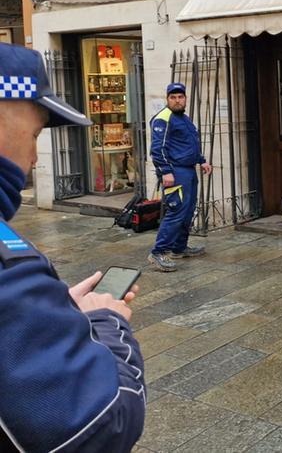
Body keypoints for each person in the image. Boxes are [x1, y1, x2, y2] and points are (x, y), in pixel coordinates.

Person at [0, 42, 145, 450]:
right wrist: (107, 322)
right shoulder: (9, 269)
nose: (35, 157)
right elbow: (102, 423)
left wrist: (49, 313)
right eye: (34, 134)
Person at [147, 82, 212, 272]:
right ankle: (158, 252)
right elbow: (157, 149)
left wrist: (201, 160)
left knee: (188, 210)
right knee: (176, 212)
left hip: (188, 171)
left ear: (185, 99)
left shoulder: (184, 118)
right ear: (167, 99)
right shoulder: (163, 118)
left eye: (180, 97)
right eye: (173, 97)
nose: (177, 100)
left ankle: (179, 248)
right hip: (175, 172)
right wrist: (165, 171)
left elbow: (190, 143)